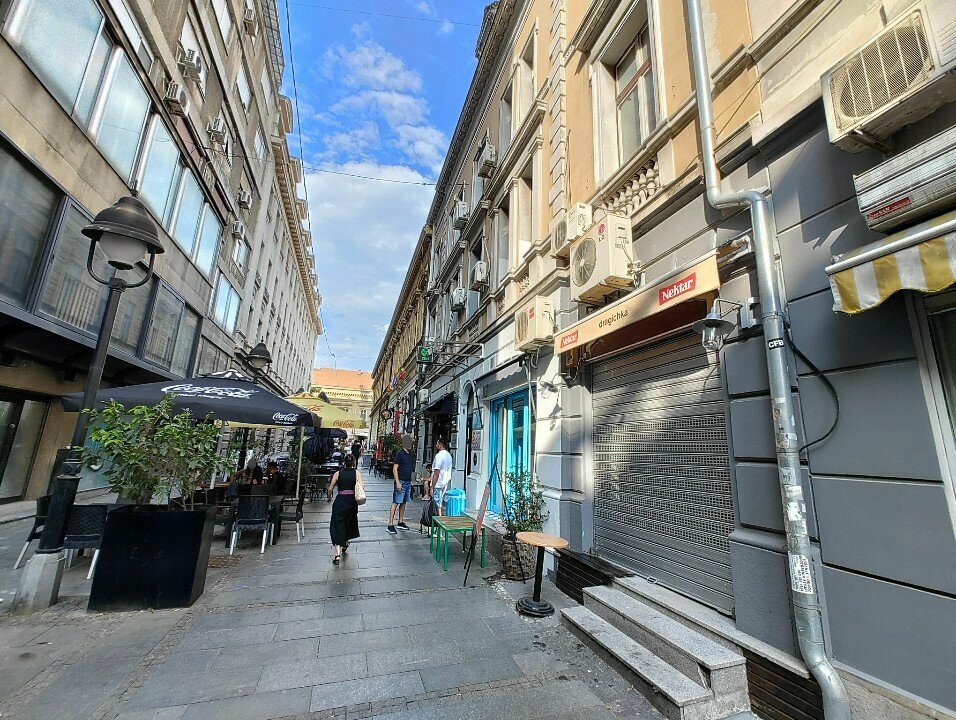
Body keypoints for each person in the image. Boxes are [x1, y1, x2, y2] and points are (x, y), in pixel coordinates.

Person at [327, 454, 361, 564]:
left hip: (340, 502)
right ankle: (345, 543)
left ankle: (337, 555)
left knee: (337, 526)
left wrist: (329, 497)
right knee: (348, 524)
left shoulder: (338, 474)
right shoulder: (356, 473)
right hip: (352, 503)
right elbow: (361, 486)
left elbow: (330, 488)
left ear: (344, 463)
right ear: (354, 463)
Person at [387, 434, 416, 534]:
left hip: (407, 481)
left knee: (404, 502)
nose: (411, 444)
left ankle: (400, 521)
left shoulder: (411, 453)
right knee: (396, 502)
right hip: (401, 482)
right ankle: (390, 524)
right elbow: (395, 469)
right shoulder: (400, 454)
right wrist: (398, 482)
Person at [431, 439, 453, 517]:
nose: (436, 445)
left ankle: (439, 517)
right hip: (445, 480)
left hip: (438, 482)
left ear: (440, 445)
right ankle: (439, 516)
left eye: (437, 444)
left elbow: (436, 472)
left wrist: (432, 486)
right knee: (440, 500)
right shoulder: (448, 455)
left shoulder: (439, 456)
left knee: (437, 502)